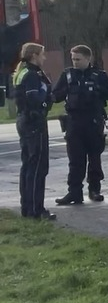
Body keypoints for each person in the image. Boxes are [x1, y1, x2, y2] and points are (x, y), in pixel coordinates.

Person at [52, 45, 108, 205]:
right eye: (73, 59)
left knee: (94, 158)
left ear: (88, 59)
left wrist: (98, 88)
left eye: (78, 59)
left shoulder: (99, 75)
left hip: (93, 121)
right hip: (74, 121)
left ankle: (94, 190)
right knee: (75, 159)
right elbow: (56, 95)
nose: (75, 62)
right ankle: (74, 192)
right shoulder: (67, 75)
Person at [11, 43, 54, 220]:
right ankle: (36, 210)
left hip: (24, 120)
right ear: (34, 56)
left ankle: (27, 208)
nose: (44, 58)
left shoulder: (22, 72)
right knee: (38, 167)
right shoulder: (32, 74)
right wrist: (46, 99)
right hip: (34, 122)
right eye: (42, 54)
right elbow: (34, 99)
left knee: (28, 165)